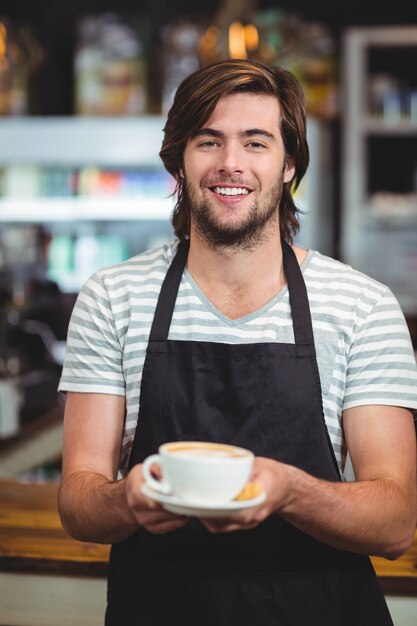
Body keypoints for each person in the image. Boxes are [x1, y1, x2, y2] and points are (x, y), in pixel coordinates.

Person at [57, 59, 417, 626]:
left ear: (289, 163)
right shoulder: (112, 298)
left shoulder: (362, 307)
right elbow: (78, 503)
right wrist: (128, 499)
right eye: (209, 141)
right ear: (179, 158)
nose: (231, 164)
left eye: (256, 142)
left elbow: (396, 523)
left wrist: (290, 490)